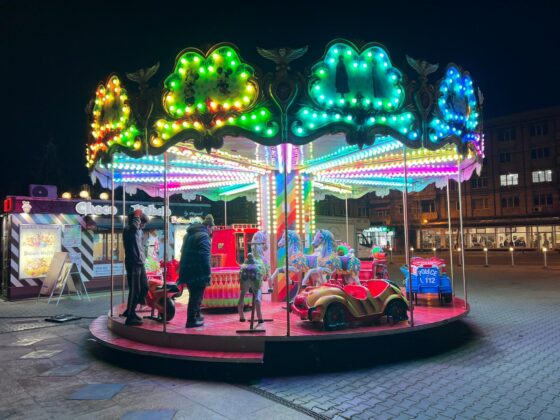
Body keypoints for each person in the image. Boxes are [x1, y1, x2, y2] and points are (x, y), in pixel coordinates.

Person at [178, 214, 214, 328]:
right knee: (196, 296)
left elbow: (182, 251)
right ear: (208, 226)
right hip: (198, 271)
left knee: (193, 294)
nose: (211, 231)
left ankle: (197, 315)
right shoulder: (204, 236)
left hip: (186, 269)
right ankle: (191, 320)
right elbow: (205, 257)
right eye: (212, 229)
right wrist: (207, 274)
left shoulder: (189, 234)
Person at [122, 209, 149, 326]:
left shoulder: (139, 231)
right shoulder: (129, 229)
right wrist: (137, 215)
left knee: (145, 286)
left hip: (140, 262)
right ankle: (130, 316)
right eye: (142, 223)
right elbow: (134, 227)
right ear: (136, 220)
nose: (143, 226)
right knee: (135, 289)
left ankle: (130, 309)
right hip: (133, 262)